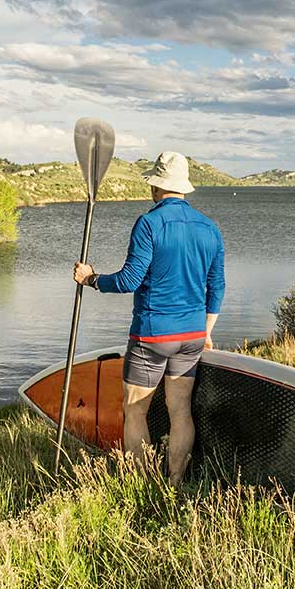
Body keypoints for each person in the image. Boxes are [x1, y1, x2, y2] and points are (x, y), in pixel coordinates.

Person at [73, 151, 225, 485]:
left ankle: (144, 483)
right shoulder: (210, 229)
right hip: (192, 336)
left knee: (136, 410)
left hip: (152, 337)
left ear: (156, 187)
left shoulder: (149, 223)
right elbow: (217, 288)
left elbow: (129, 280)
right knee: (180, 410)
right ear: (182, 188)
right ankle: (174, 482)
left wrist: (92, 278)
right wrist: (207, 330)